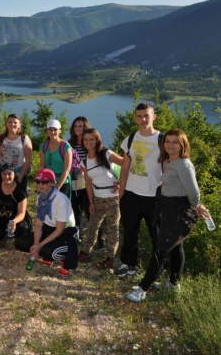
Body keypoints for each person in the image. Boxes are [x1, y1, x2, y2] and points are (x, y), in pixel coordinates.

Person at [126, 130, 208, 302]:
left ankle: (142, 289)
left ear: (183, 144)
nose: (170, 145)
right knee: (177, 246)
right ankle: (173, 282)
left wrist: (196, 206)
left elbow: (194, 192)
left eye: (175, 142)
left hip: (178, 211)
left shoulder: (183, 165)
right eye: (168, 141)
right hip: (169, 209)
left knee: (161, 250)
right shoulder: (170, 161)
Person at [114, 103, 163, 277]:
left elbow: (167, 169)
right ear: (135, 118)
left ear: (153, 117)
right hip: (131, 194)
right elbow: (126, 167)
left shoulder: (162, 140)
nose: (143, 120)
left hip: (154, 197)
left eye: (146, 116)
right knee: (129, 233)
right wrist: (122, 193)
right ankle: (128, 265)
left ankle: (157, 270)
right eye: (139, 116)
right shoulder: (131, 139)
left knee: (156, 236)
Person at [15, 169, 79, 275]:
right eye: (38, 181)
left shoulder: (61, 200)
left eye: (44, 182)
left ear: (52, 183)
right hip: (48, 228)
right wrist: (36, 244)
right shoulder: (41, 197)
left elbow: (59, 230)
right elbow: (39, 224)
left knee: (47, 251)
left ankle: (64, 255)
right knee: (20, 243)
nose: (40, 185)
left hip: (65, 232)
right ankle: (45, 251)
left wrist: (40, 245)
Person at [78, 128, 123, 269]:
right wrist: (91, 202)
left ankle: (109, 257)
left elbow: (126, 164)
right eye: (86, 139)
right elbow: (88, 182)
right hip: (97, 198)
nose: (88, 142)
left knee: (112, 229)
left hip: (112, 198)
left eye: (91, 139)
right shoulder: (85, 160)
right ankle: (86, 252)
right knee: (92, 226)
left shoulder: (106, 153)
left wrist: (121, 183)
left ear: (97, 140)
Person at [0, 163, 32, 249]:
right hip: (2, 216)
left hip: (17, 219)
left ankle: (13, 237)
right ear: (1, 175)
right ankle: (4, 236)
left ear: (14, 175)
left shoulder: (20, 190)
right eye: (4, 174)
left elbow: (21, 212)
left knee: (21, 228)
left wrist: (13, 222)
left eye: (9, 174)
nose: (7, 177)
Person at [0, 114, 32, 193]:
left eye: (15, 123)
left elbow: (28, 160)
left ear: (19, 125)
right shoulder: (1, 138)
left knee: (18, 198)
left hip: (19, 173)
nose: (12, 124)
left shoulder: (24, 139)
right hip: (3, 174)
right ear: (7, 123)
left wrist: (19, 178)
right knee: (2, 197)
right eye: (10, 122)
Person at [38, 119, 73, 198]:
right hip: (48, 182)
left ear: (60, 131)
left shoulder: (65, 146)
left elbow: (67, 169)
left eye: (55, 130)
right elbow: (42, 165)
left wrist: (58, 186)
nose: (52, 132)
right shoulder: (43, 146)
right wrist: (41, 182)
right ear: (47, 131)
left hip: (63, 183)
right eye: (50, 129)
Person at [67, 116, 91, 232]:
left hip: (88, 180)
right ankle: (77, 232)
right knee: (76, 207)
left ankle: (98, 234)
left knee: (89, 207)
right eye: (75, 126)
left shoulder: (90, 143)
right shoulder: (69, 144)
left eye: (80, 126)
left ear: (85, 127)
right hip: (74, 179)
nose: (77, 129)